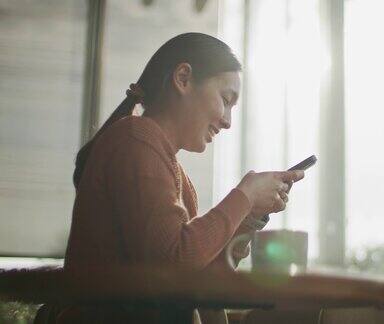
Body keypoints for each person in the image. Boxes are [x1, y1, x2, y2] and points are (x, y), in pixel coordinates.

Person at [39, 33, 304, 324]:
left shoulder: (174, 172)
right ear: (183, 78)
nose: (228, 121)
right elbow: (172, 263)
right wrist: (245, 196)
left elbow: (199, 283)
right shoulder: (135, 142)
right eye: (225, 100)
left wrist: (249, 216)